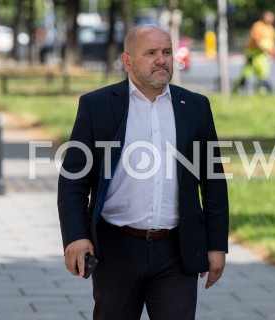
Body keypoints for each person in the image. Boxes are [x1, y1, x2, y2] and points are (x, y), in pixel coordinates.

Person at [58, 25, 229, 320]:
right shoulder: (97, 106)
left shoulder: (196, 107)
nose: (161, 60)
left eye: (166, 52)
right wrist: (75, 236)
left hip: (176, 251)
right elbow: (74, 179)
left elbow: (212, 181)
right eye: (151, 53)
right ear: (127, 62)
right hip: (116, 249)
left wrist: (216, 246)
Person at [232, 10, 275, 93]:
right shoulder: (258, 26)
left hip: (262, 55)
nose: (270, 19)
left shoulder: (270, 28)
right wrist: (267, 50)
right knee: (246, 73)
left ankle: (261, 91)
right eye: (269, 16)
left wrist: (274, 52)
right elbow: (257, 41)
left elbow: (272, 42)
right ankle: (236, 87)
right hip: (253, 54)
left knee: (263, 73)